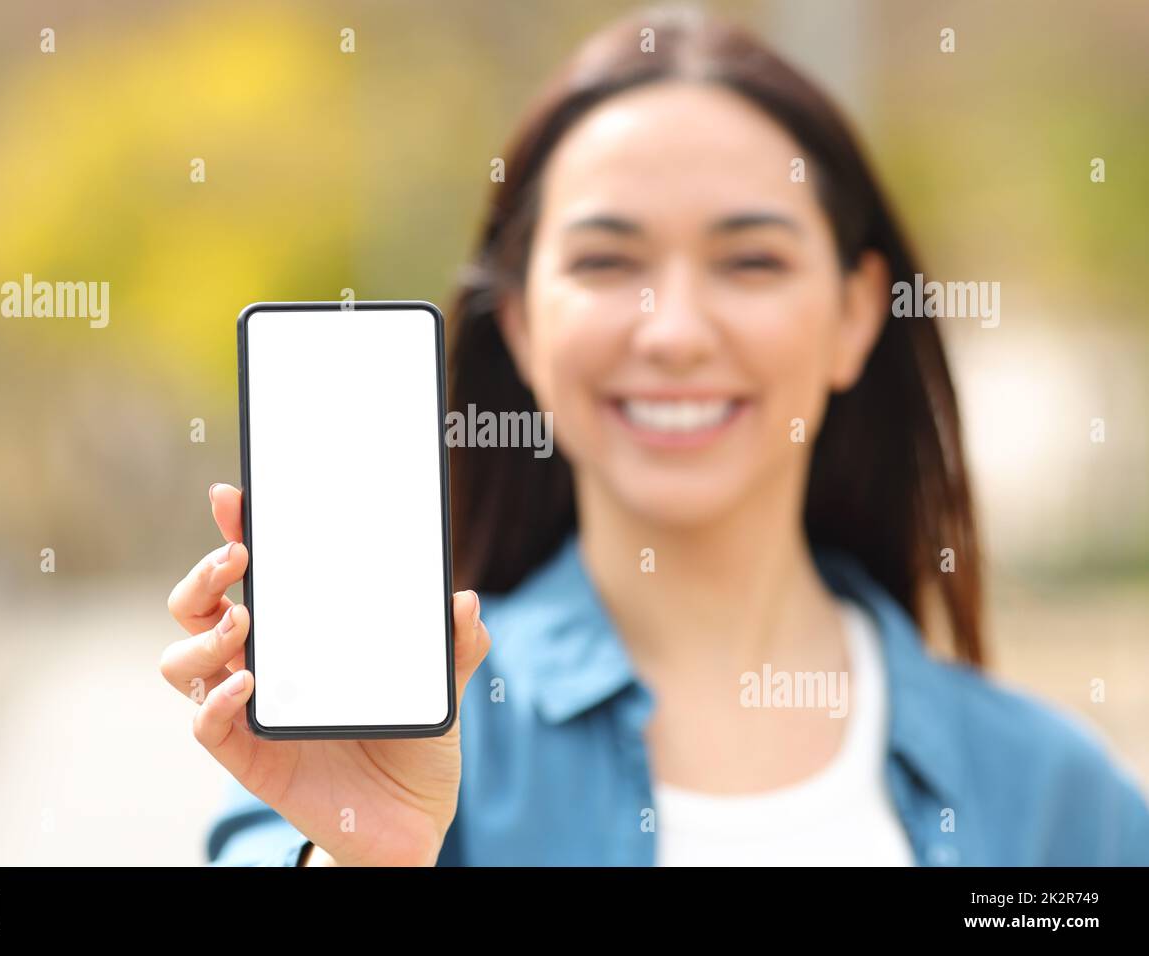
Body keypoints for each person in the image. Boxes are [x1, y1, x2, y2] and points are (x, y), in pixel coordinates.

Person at [160, 5, 1149, 866]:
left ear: (854, 315)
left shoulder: (1060, 801)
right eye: (605, 259)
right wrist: (362, 856)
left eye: (750, 260)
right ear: (519, 323)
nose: (673, 329)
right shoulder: (363, 751)